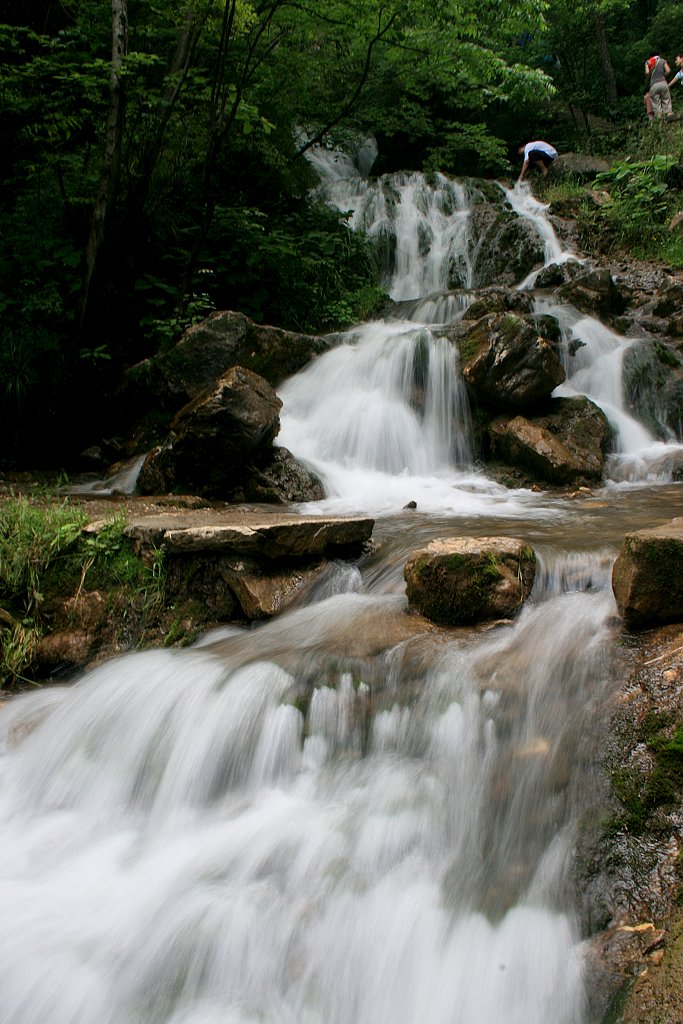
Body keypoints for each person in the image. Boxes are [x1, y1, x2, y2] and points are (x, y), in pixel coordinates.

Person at [645, 53, 672, 118]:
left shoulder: (648, 61)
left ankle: (660, 121)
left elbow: (647, 72)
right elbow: (668, 70)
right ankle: (670, 117)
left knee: (656, 104)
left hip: (654, 85)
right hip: (663, 83)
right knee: (666, 100)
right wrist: (663, 76)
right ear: (658, 55)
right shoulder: (662, 60)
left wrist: (646, 65)